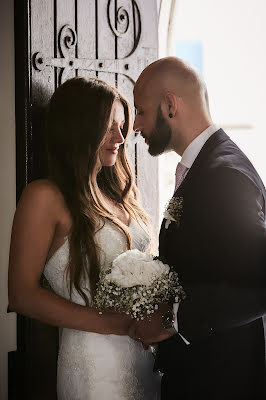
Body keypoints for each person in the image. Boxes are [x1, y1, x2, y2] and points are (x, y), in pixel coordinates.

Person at [8, 77, 161, 400]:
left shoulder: (121, 194)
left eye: (122, 126)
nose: (120, 137)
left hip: (142, 355)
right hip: (93, 361)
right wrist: (114, 323)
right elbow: (22, 295)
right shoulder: (44, 197)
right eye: (108, 127)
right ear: (78, 129)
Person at [130, 56, 266, 399]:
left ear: (170, 105)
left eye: (141, 111)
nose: (135, 125)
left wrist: (173, 318)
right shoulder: (200, 165)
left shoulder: (224, 174)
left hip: (221, 379)